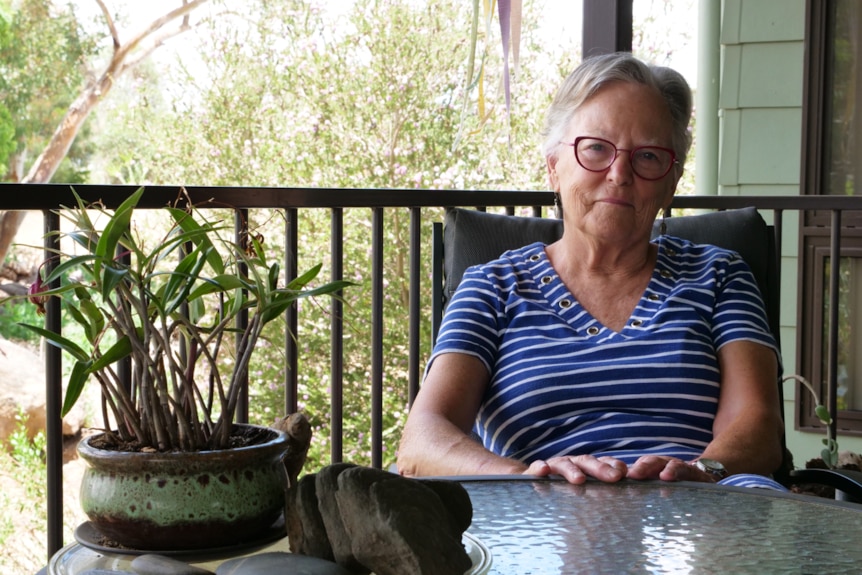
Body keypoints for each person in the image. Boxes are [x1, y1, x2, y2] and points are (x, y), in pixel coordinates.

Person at [397, 52, 786, 490]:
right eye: (596, 148)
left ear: (671, 182)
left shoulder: (719, 275)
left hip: (703, 518)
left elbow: (758, 424)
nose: (620, 174)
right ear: (553, 166)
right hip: (539, 522)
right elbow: (422, 440)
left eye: (649, 157)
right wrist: (527, 477)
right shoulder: (493, 287)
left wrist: (700, 472)